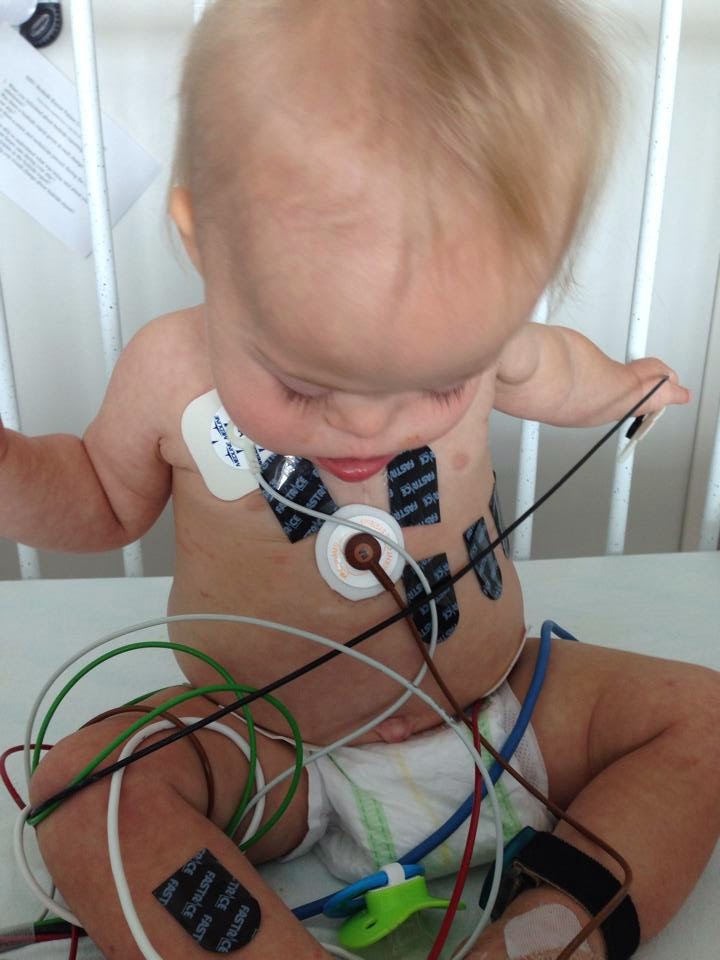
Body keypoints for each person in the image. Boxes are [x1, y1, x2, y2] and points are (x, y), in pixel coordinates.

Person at [1, 2, 717, 958]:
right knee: (85, 789)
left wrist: (626, 387)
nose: (371, 429)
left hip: (501, 715)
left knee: (706, 719)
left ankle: (542, 939)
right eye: (304, 384)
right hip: (274, 756)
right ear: (203, 238)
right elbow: (96, 495)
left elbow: (567, 375)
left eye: (440, 384)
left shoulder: (491, 340)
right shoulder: (168, 372)